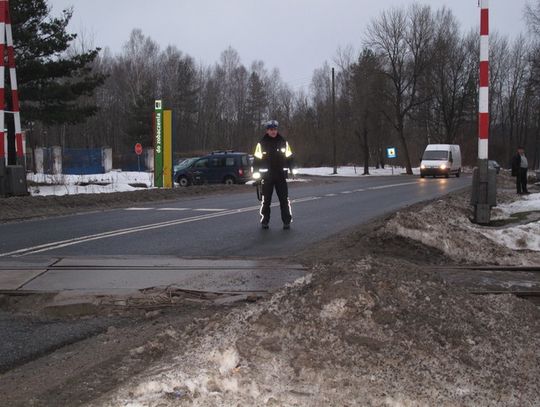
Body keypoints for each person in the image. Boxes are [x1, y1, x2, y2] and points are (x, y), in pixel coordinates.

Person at [252, 120, 295, 229]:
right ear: (267, 131)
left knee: (284, 200)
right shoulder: (261, 144)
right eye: (271, 129)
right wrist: (256, 176)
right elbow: (256, 161)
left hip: (281, 176)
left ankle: (287, 221)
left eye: (275, 129)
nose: (273, 131)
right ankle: (264, 221)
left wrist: (292, 169)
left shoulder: (283, 142)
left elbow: (290, 157)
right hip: (267, 177)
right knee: (266, 201)